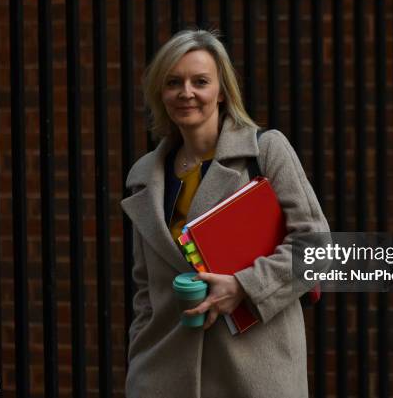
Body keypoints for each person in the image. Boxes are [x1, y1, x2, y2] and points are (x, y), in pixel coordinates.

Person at [121, 29, 329, 398]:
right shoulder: (144, 178)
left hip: (254, 374)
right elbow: (144, 289)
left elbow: (316, 248)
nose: (186, 92)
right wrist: (140, 354)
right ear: (160, 93)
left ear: (222, 92)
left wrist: (244, 287)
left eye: (200, 81)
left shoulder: (265, 152)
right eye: (174, 82)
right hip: (162, 374)